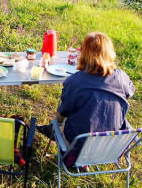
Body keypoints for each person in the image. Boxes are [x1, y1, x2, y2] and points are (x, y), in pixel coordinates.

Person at [44, 32, 135, 167]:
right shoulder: (121, 77)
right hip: (112, 144)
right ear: (110, 53)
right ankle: (87, 154)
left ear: (84, 54)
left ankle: (75, 154)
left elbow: (63, 112)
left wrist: (56, 124)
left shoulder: (75, 81)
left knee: (59, 121)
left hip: (80, 142)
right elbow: (130, 92)